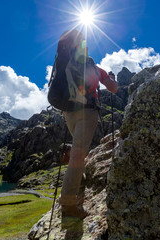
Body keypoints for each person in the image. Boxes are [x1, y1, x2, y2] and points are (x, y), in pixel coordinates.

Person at [58, 29, 118, 220]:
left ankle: (80, 182)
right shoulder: (93, 66)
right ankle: (68, 205)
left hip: (69, 113)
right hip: (88, 112)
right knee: (78, 154)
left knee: (78, 151)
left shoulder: (65, 64)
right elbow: (113, 88)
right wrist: (111, 77)